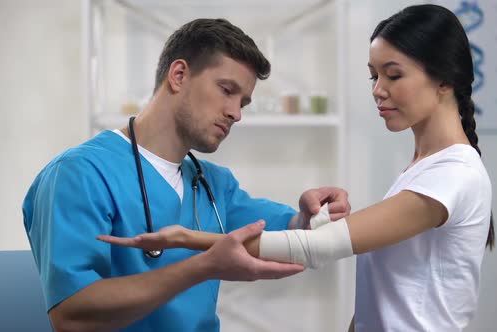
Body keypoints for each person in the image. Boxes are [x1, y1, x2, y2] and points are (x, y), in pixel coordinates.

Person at [99, 5, 495, 332]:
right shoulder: (420, 171)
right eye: (374, 76)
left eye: (393, 75)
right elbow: (388, 297)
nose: (377, 89)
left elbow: (318, 248)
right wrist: (312, 218)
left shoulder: (453, 172)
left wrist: (188, 239)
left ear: (443, 79)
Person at [22, 18, 351, 332]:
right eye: (226, 90)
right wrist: (204, 266)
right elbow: (72, 317)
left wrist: (309, 217)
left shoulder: (212, 184)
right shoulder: (80, 174)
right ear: (178, 74)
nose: (236, 113)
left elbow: (285, 233)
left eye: (244, 102)